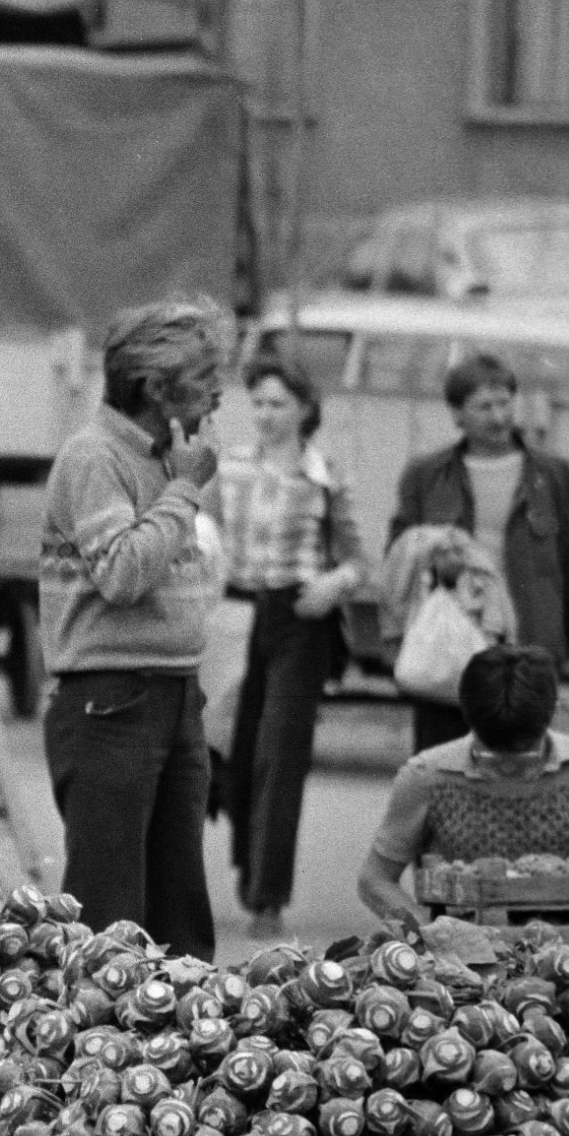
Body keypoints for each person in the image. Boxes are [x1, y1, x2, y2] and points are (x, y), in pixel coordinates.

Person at [38, 297, 231, 959]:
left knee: (180, 908)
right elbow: (121, 573)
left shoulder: (172, 457)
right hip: (110, 700)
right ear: (156, 387)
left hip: (176, 694)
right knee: (110, 916)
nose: (219, 395)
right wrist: (184, 494)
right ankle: (94, 1058)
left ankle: (192, 1053)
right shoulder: (95, 457)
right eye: (206, 380)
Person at [209, 357, 368, 941]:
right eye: (258, 403)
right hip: (236, 613)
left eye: (278, 403)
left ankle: (267, 897)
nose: (266, 415)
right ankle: (249, 871)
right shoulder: (228, 470)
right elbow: (205, 541)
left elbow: (357, 561)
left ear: (305, 410)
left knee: (282, 752)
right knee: (236, 749)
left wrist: (332, 586)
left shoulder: (325, 476)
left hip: (299, 620)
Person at [389, 353, 569, 752]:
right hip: (451, 650)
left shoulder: (556, 476)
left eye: (504, 402)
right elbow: (398, 561)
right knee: (444, 772)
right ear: (457, 414)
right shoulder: (426, 475)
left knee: (521, 774)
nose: (498, 417)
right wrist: (437, 568)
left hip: (527, 654)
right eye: (483, 406)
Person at [357, 644, 569, 925]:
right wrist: (425, 929)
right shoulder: (427, 777)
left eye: (525, 753)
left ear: (551, 713)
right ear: (468, 718)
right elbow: (375, 880)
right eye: (491, 754)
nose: (508, 766)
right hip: (461, 952)